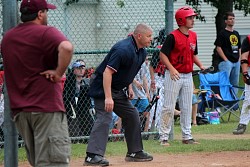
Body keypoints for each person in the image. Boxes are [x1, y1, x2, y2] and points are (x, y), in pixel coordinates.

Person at [1, 0, 73, 166]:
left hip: (21, 112)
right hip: (46, 108)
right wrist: (58, 73)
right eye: (46, 11)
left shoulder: (8, 38)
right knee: (53, 162)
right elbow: (67, 47)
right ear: (40, 13)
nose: (47, 15)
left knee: (39, 161)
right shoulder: (45, 32)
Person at [84, 23, 154, 166]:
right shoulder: (123, 49)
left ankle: (134, 152)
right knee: (105, 116)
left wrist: (129, 87)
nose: (151, 39)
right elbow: (107, 72)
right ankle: (92, 156)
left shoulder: (142, 52)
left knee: (132, 114)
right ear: (139, 36)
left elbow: (128, 71)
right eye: (149, 36)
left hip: (116, 88)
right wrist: (108, 97)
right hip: (102, 86)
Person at [159, 6, 205, 146]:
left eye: (192, 17)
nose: (192, 20)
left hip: (188, 75)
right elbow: (162, 55)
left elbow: (193, 54)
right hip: (174, 75)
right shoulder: (172, 36)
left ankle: (187, 136)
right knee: (168, 106)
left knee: (187, 106)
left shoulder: (193, 36)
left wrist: (201, 66)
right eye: (189, 17)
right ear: (181, 20)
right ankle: (164, 137)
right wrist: (171, 69)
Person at [63, 59, 94, 138]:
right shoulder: (69, 82)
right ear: (74, 69)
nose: (81, 70)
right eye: (78, 68)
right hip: (72, 109)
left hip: (84, 109)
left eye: (82, 68)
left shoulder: (86, 82)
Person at [214, 12, 241, 93]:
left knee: (235, 84)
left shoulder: (236, 33)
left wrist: (239, 58)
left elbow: (239, 47)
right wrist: (226, 60)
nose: (232, 20)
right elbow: (218, 48)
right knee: (224, 83)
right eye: (230, 19)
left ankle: (233, 103)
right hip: (226, 62)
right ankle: (223, 101)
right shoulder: (222, 33)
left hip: (236, 62)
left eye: (233, 19)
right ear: (226, 21)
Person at [233, 35, 250, 135]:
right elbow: (244, 56)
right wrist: (245, 73)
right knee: (248, 99)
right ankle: (242, 124)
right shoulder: (248, 39)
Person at [131, 62, 150, 132]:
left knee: (147, 113)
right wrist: (135, 82)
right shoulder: (129, 61)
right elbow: (127, 75)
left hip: (141, 94)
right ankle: (122, 133)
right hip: (132, 94)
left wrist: (147, 92)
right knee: (129, 115)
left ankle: (145, 133)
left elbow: (144, 78)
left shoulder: (142, 64)